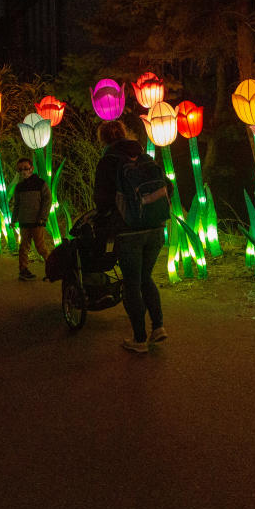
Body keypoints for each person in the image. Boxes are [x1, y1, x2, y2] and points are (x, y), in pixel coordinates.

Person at [93, 120, 169, 354]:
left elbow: (102, 199)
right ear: (125, 134)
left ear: (103, 139)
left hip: (128, 231)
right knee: (146, 277)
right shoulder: (144, 156)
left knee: (132, 283)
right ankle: (158, 327)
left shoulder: (108, 161)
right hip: (155, 228)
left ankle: (139, 339)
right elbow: (169, 187)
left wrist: (104, 222)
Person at [11, 156, 51, 281]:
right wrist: (13, 219)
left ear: (31, 169)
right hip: (24, 221)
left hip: (37, 221)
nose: (23, 172)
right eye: (20, 170)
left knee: (41, 247)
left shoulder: (41, 184)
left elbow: (47, 201)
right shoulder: (19, 187)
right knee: (23, 247)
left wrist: (43, 217)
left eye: (25, 168)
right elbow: (16, 204)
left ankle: (53, 268)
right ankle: (23, 270)